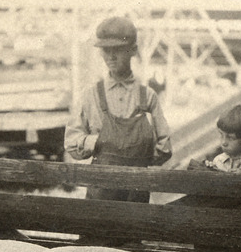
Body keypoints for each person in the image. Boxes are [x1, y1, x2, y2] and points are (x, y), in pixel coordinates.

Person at [64, 16, 172, 202]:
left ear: (133, 50)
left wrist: (138, 155)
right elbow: (71, 142)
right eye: (106, 50)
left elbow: (165, 147)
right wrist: (96, 141)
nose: (111, 57)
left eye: (119, 50)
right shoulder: (90, 95)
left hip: (136, 189)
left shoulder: (148, 97)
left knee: (133, 231)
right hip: (100, 189)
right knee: (98, 231)